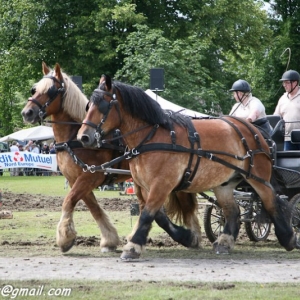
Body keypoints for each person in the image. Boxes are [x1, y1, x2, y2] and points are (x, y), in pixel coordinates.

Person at [274, 70, 300, 150]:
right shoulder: (282, 99)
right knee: (288, 161)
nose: (284, 85)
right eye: (283, 83)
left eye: (287, 82)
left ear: (295, 83)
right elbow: (276, 117)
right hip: (287, 139)